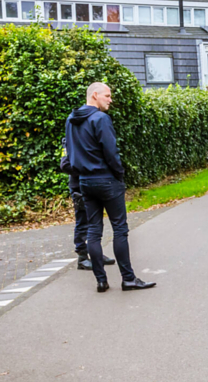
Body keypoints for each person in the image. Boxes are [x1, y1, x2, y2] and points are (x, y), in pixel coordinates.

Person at [65, 82, 156, 293]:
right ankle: (128, 279)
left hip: (85, 181)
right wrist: (119, 174)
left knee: (94, 231)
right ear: (95, 95)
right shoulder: (100, 119)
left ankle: (101, 281)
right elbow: (111, 152)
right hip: (106, 179)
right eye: (107, 95)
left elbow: (69, 152)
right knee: (120, 230)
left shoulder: (71, 120)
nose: (110, 99)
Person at [60, 136, 115, 272]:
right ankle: (82, 257)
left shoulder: (89, 137)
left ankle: (96, 253)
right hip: (79, 186)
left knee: (95, 221)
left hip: (93, 184)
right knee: (82, 220)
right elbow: (65, 165)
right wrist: (87, 169)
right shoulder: (69, 140)